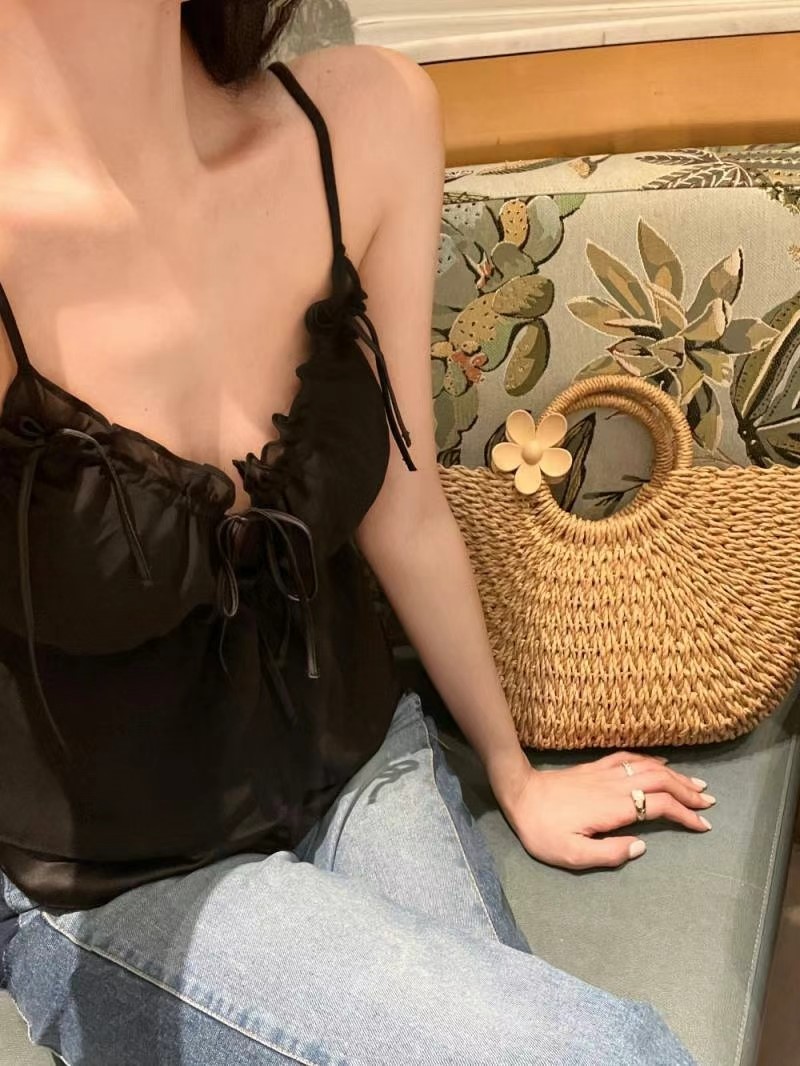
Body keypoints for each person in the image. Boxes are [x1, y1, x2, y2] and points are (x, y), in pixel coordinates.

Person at [0, 2, 711, 1062]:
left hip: (359, 757)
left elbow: (404, 507)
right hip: (108, 872)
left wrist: (512, 771)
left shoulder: (362, 124)